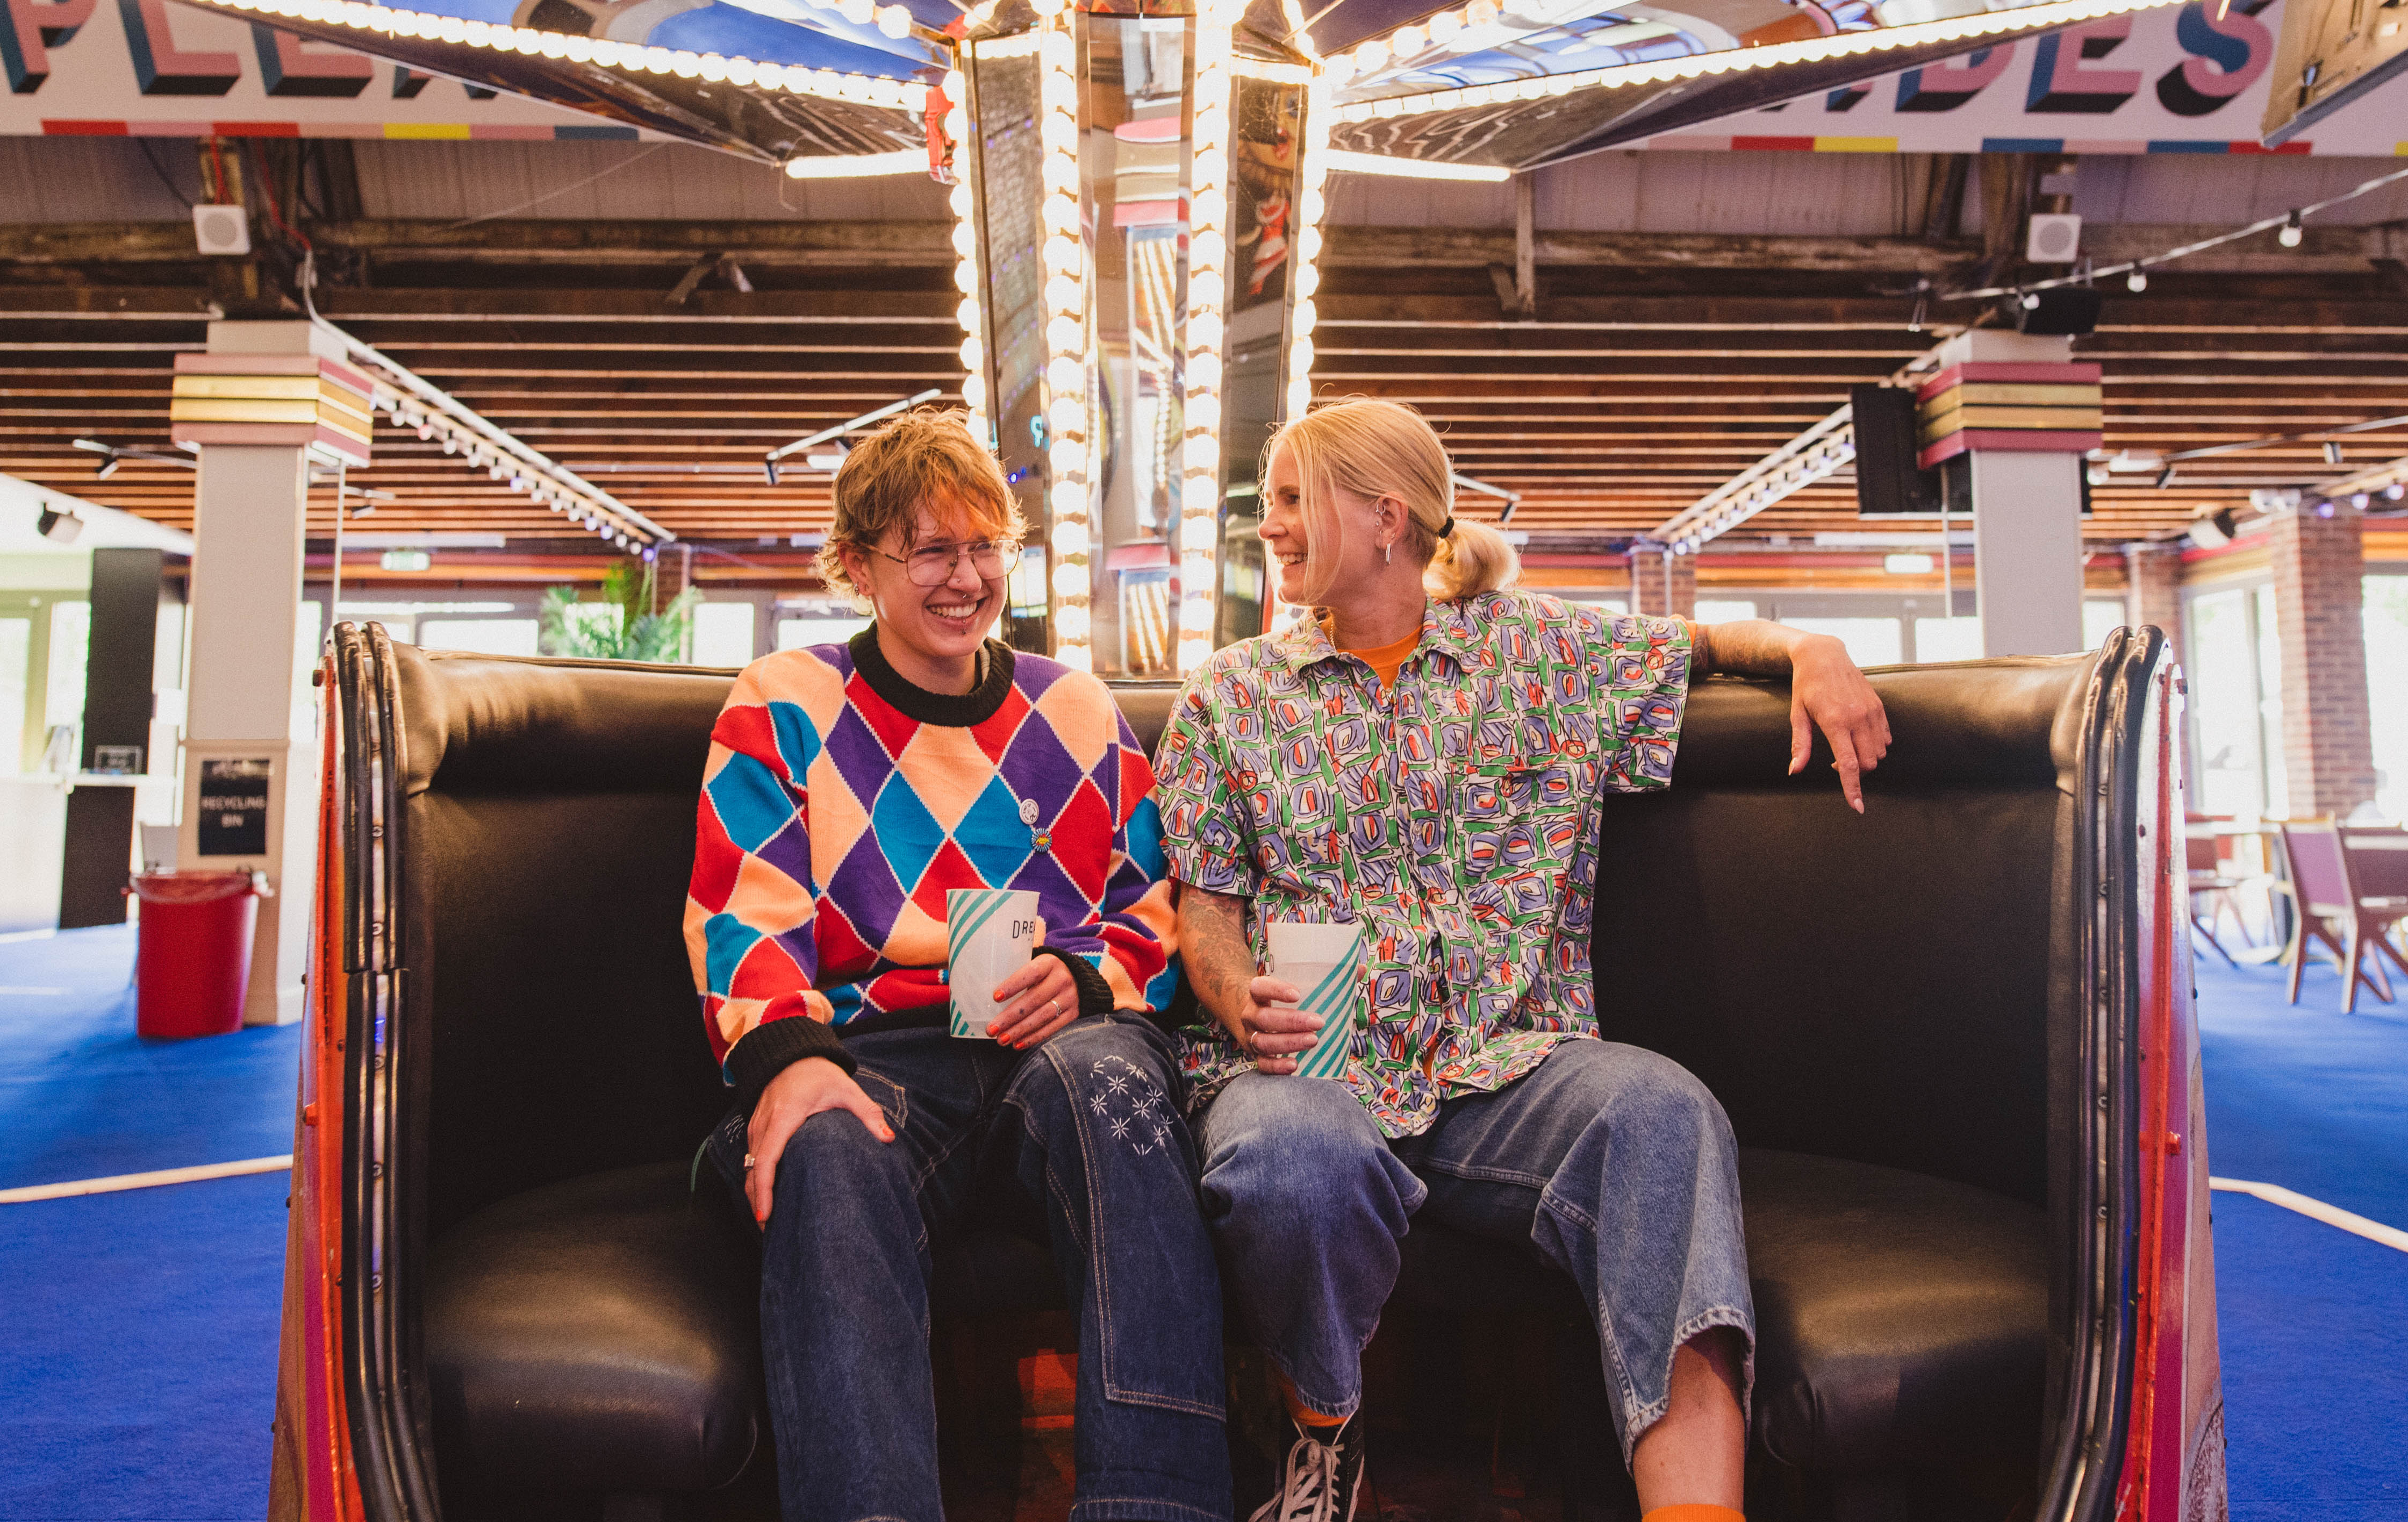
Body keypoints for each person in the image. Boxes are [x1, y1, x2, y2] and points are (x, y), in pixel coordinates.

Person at [1153, 399, 1891, 1522]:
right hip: (1311, 1066)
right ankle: (1321, 1437)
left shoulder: (1544, 653)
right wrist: (1229, 992)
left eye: (1295, 498)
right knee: (1286, 1158)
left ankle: (1695, 1509)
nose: (1273, 525)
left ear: (1385, 515)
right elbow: (1203, 904)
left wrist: (1816, 648)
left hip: (1511, 1067)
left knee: (1662, 1111)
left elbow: (1706, 644)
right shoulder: (1227, 695)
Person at [686, 409, 1228, 1522]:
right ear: (857, 566)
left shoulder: (1075, 706)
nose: (966, 576)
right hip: (878, 1052)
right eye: (931, 549)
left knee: (1120, 1088)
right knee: (822, 1143)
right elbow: (743, 908)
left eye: (985, 546)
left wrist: (1088, 979)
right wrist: (786, 1055)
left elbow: (1154, 908)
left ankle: (1158, 1508)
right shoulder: (783, 699)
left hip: (1058, 1047)